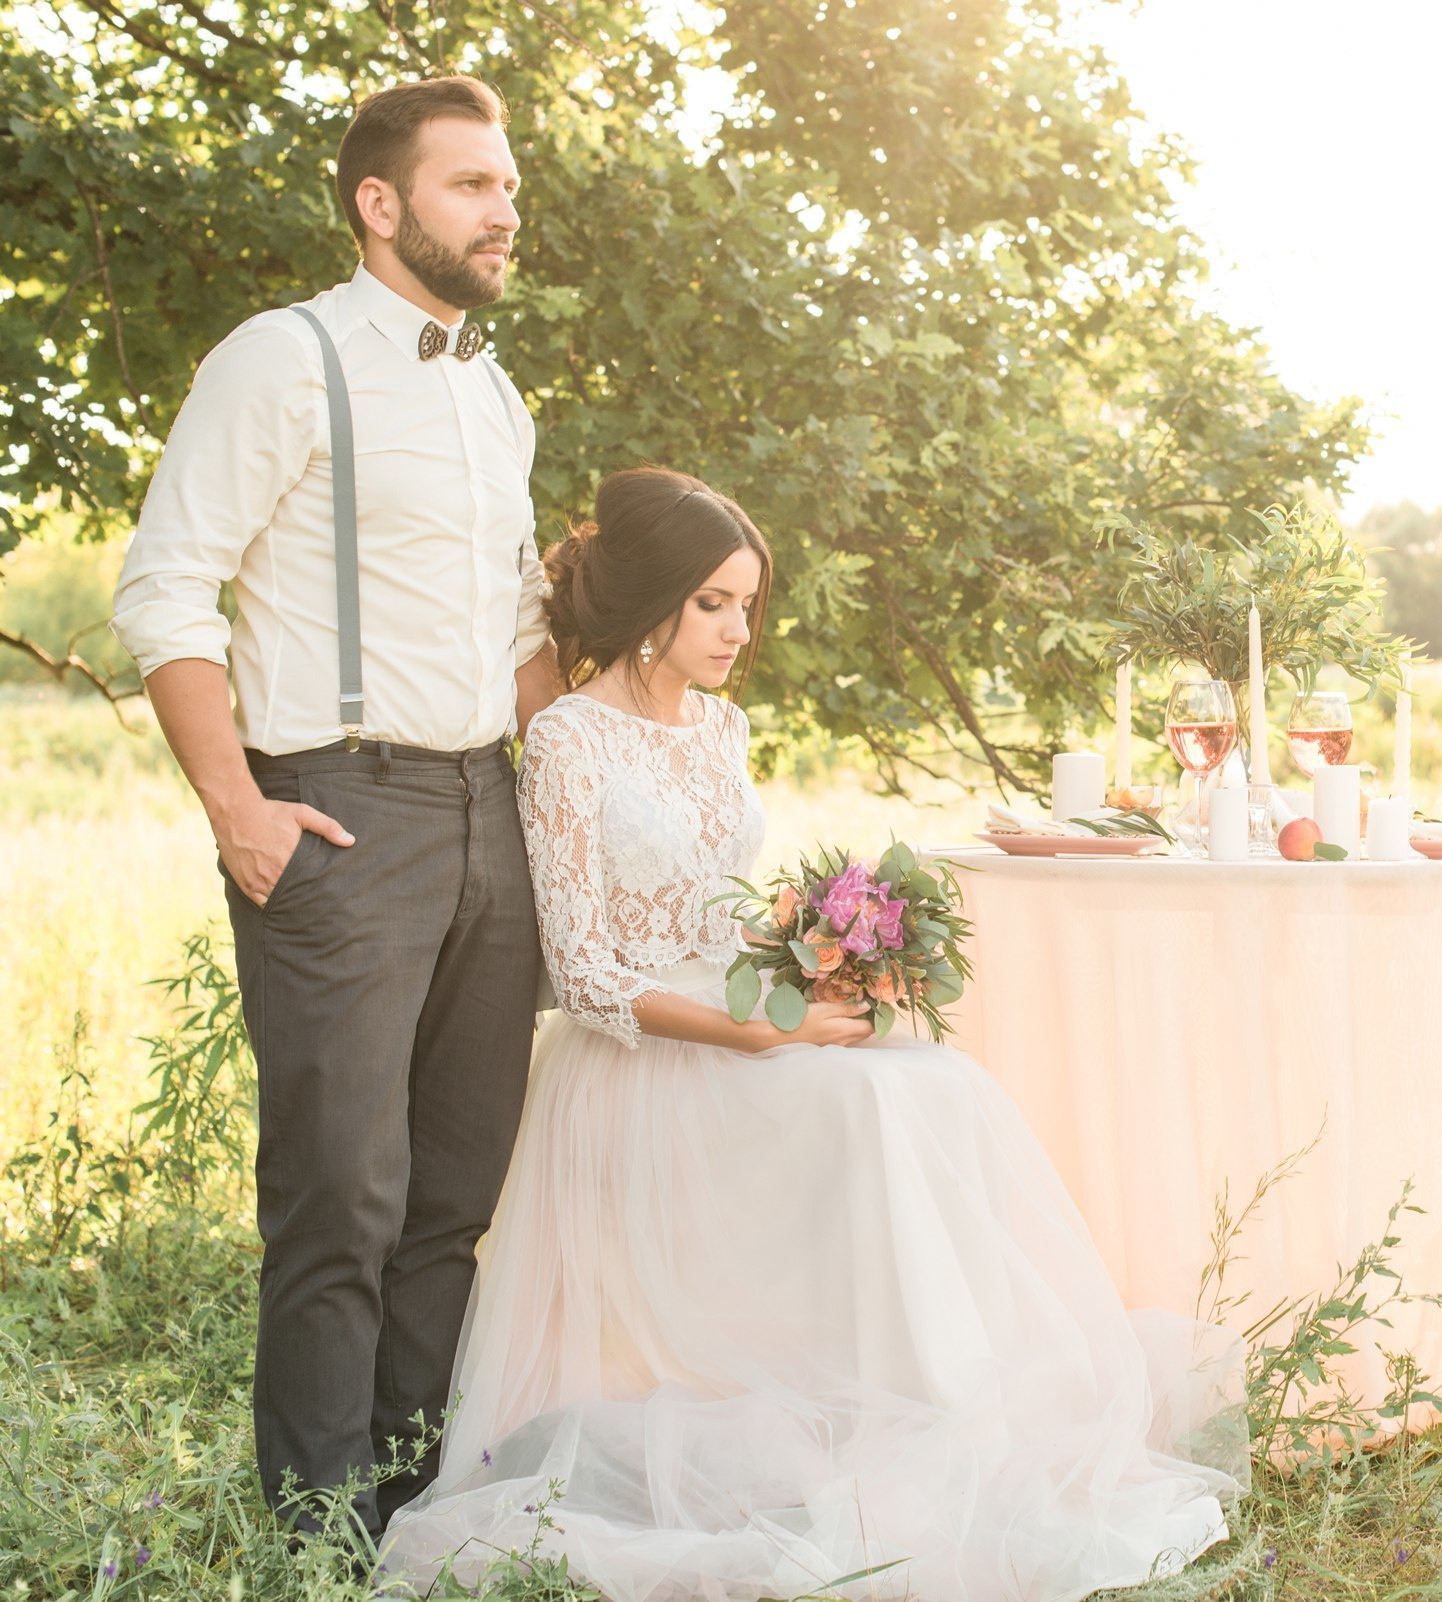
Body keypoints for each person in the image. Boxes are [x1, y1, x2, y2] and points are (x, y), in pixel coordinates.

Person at [379, 468, 1245, 1602]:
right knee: (867, 1103)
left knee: (934, 1083)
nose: (740, 630)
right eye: (713, 605)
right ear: (650, 604)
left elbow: (723, 902)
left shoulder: (723, 726)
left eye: (747, 604)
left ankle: (947, 1405)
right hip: (642, 1056)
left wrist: (822, 964)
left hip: (742, 1013)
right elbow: (587, 976)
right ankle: (912, 1397)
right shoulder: (570, 743)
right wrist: (757, 1040)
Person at [109, 75, 557, 1539]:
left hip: (492, 817)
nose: (505, 210)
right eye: (472, 186)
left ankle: (411, 1510)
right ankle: (315, 1535)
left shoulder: (496, 395)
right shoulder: (281, 358)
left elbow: (516, 633)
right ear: (382, 203)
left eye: (505, 185)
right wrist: (238, 801)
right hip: (339, 814)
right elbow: (165, 584)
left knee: (451, 1198)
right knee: (342, 1197)